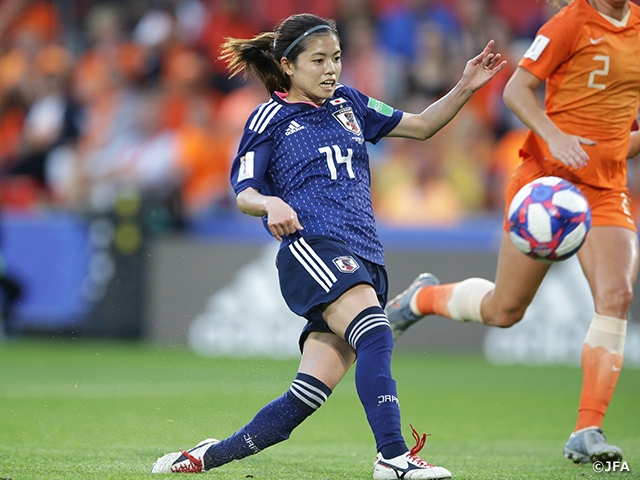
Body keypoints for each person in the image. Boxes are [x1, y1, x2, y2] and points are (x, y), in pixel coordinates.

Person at [151, 13, 506, 478]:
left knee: (304, 398)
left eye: (336, 58)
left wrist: (466, 86)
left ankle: (204, 457)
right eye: (317, 60)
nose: (330, 69)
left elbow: (420, 126)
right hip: (311, 249)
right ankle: (393, 458)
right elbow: (243, 191)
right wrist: (270, 203)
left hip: (365, 256)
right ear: (288, 66)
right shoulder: (270, 118)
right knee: (376, 331)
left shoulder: (350, 103)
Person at [386, 0, 640, 467]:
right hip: (546, 182)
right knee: (505, 311)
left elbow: (629, 126)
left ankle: (587, 429)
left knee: (617, 297)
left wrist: (613, 149)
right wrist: (554, 134)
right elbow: (516, 91)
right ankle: (421, 300)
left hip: (606, 186)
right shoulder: (571, 22)